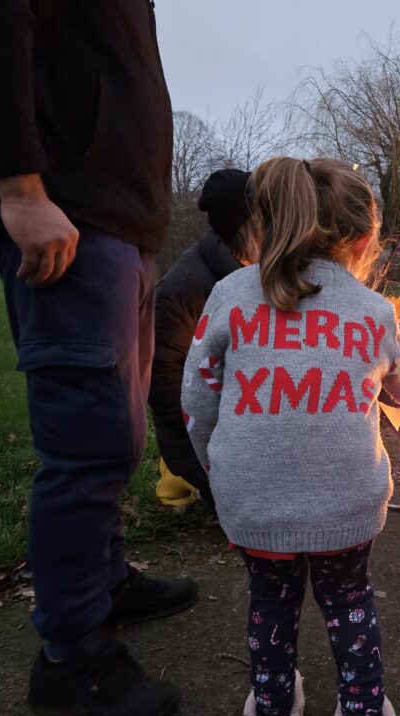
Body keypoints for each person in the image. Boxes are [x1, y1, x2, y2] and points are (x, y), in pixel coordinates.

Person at [0, 0, 197, 716]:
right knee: (88, 442)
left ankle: (105, 582)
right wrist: (20, 187)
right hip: (71, 217)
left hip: (119, 223)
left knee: (120, 431)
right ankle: (70, 652)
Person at [182, 157, 400, 716]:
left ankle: (273, 714)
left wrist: (217, 471)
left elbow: (196, 400)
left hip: (254, 499)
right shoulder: (373, 312)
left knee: (270, 603)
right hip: (346, 501)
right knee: (349, 602)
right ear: (361, 241)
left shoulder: (229, 295)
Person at [150, 169, 258, 513]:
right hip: (205, 436)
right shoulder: (184, 290)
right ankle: (182, 488)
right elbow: (168, 391)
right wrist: (204, 469)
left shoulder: (258, 271)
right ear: (247, 224)